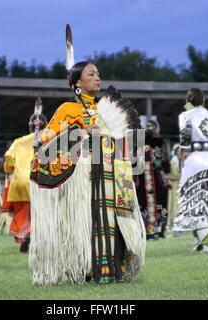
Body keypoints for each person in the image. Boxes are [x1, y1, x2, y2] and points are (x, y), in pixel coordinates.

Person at [29, 60, 146, 285]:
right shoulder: (67, 109)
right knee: (85, 221)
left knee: (110, 219)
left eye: (98, 74)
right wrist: (80, 130)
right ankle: (84, 267)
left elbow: (124, 144)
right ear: (77, 84)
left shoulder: (104, 108)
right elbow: (44, 141)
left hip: (110, 175)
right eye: (91, 74)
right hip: (81, 177)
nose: (97, 78)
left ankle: (112, 268)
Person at [172, 88, 208, 253]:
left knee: (193, 199)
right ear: (204, 101)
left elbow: (186, 133)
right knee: (202, 200)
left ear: (188, 100)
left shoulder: (186, 115)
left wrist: (182, 151)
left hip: (195, 158)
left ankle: (207, 244)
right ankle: (200, 242)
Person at [3, 98, 47, 252]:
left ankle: (23, 236)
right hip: (41, 181)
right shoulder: (49, 141)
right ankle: (32, 234)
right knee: (38, 212)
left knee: (22, 212)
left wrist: (9, 171)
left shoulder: (18, 141)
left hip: (20, 182)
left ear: (30, 126)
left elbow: (8, 158)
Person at [135, 120, 169, 239]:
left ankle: (146, 231)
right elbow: (165, 161)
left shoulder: (139, 142)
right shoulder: (161, 142)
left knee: (144, 204)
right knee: (160, 203)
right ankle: (158, 230)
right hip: (157, 178)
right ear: (157, 129)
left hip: (143, 177)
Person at [166, 144, 181, 236]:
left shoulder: (183, 161)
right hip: (172, 188)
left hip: (179, 188)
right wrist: (178, 177)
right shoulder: (172, 161)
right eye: (180, 151)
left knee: (178, 208)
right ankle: (168, 230)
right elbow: (167, 175)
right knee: (171, 208)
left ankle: (177, 228)